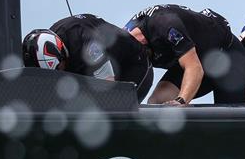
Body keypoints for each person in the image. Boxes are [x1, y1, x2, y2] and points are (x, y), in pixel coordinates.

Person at [125, 4, 245, 105]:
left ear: (144, 40)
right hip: (195, 57)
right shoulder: (124, 41)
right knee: (157, 102)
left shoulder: (167, 26)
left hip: (226, 57)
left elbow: (194, 68)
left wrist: (181, 101)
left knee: (226, 122)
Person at [22, 13, 153, 102]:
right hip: (93, 67)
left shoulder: (87, 44)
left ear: (60, 50)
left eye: (59, 68)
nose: (60, 72)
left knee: (114, 104)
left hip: (134, 64)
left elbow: (108, 86)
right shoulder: (53, 36)